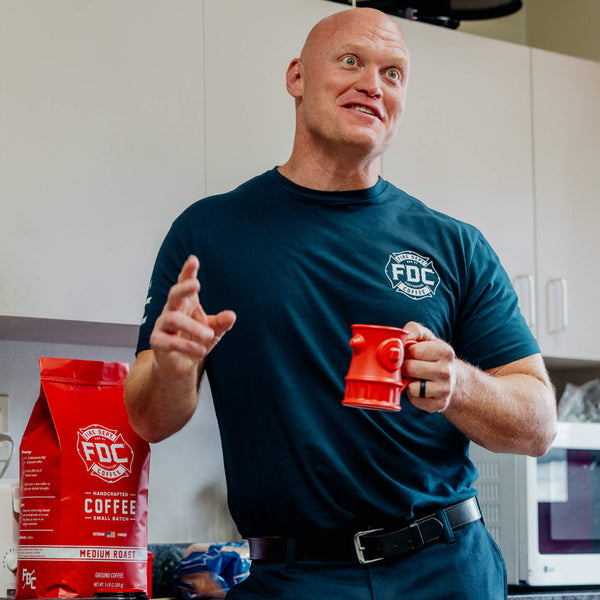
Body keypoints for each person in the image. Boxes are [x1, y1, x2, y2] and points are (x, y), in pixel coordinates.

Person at [124, 8, 557, 599]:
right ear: (297, 77)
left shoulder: (453, 244)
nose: (373, 84)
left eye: (394, 73)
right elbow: (146, 418)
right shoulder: (209, 234)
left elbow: (538, 423)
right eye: (351, 61)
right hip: (293, 577)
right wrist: (173, 366)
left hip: (448, 569)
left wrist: (460, 384)